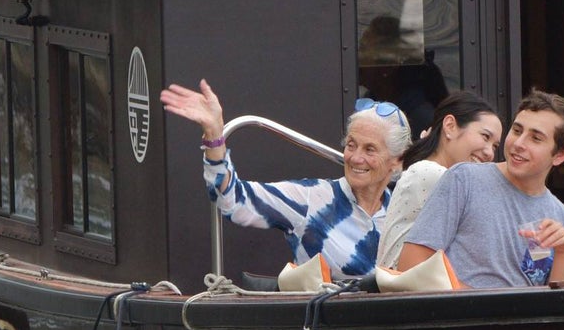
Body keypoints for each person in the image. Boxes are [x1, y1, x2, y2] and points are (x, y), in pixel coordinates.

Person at [161, 80, 408, 277]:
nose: (355, 158)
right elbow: (233, 200)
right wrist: (214, 136)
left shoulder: (405, 211)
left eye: (370, 150)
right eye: (351, 145)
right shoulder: (312, 199)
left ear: (396, 161)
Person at [395, 90, 564, 288]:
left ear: (561, 154)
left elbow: (561, 309)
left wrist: (562, 252)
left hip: (525, 319)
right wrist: (486, 305)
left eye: (535, 138)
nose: (519, 143)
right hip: (459, 316)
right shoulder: (464, 180)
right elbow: (411, 267)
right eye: (517, 131)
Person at [375, 91, 503, 268]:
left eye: (495, 146)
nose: (490, 152)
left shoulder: (429, 171)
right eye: (485, 137)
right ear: (450, 126)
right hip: (412, 291)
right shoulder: (431, 173)